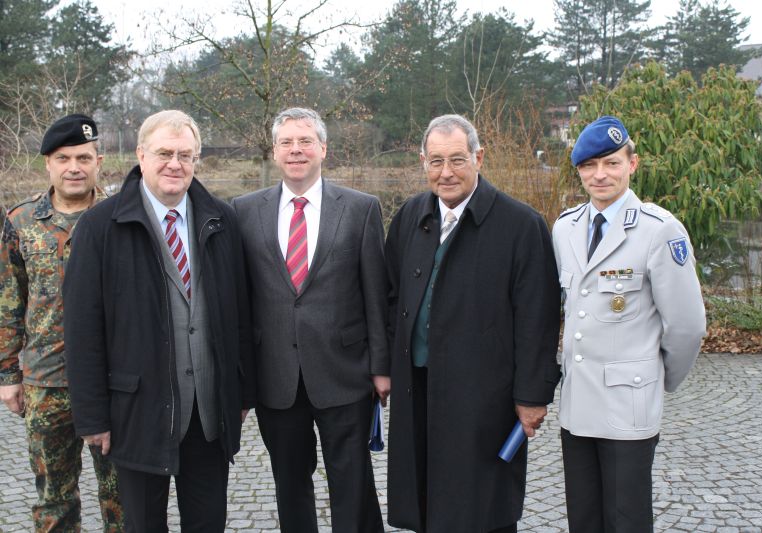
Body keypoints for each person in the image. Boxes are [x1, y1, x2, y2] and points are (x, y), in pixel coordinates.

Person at [62, 110, 255, 532]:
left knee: (208, 523)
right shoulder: (100, 226)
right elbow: (82, 328)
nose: (175, 164)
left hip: (208, 415)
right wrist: (92, 416)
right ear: (141, 155)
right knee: (144, 525)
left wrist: (240, 390)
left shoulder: (222, 220)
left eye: (186, 155)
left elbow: (239, 313)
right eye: (165, 153)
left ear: (197, 160)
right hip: (138, 412)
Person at [384, 114, 562, 532]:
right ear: (422, 161)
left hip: (486, 397)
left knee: (482, 507)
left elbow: (538, 319)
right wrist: (387, 367)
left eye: (458, 160)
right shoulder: (411, 216)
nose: (446, 173)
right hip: (418, 387)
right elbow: (391, 296)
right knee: (426, 500)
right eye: (436, 161)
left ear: (479, 158)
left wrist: (532, 396)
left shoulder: (521, 225)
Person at [232, 107, 389, 532]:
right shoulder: (243, 211)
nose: (296, 150)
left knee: (352, 479)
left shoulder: (360, 209)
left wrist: (381, 368)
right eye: (286, 142)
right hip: (276, 376)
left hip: (345, 372)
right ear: (274, 152)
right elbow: (240, 300)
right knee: (289, 481)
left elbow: (376, 293)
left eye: (305, 142)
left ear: (323, 149)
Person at [552, 115, 706, 533]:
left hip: (628, 407)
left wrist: (655, 378)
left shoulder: (660, 231)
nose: (600, 175)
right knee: (583, 518)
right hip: (578, 405)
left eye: (612, 163)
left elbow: (688, 326)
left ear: (632, 164)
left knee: (627, 519)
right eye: (589, 166)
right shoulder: (564, 228)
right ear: (579, 170)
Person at [0, 114, 123, 532]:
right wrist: (7, 374)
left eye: (84, 157)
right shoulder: (20, 222)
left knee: (121, 496)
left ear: (99, 161)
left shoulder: (121, 217)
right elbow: (9, 302)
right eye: (64, 157)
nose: (75, 166)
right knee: (53, 498)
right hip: (46, 381)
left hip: (114, 381)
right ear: (48, 164)